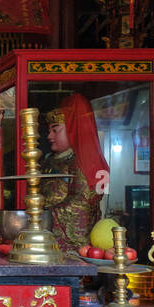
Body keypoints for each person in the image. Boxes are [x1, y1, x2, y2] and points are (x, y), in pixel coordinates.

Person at [41, 93, 108, 252]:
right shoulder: (49, 160)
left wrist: (40, 215)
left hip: (70, 244)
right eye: (49, 130)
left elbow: (82, 203)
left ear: (72, 130)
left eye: (55, 130)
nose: (49, 136)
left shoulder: (83, 162)